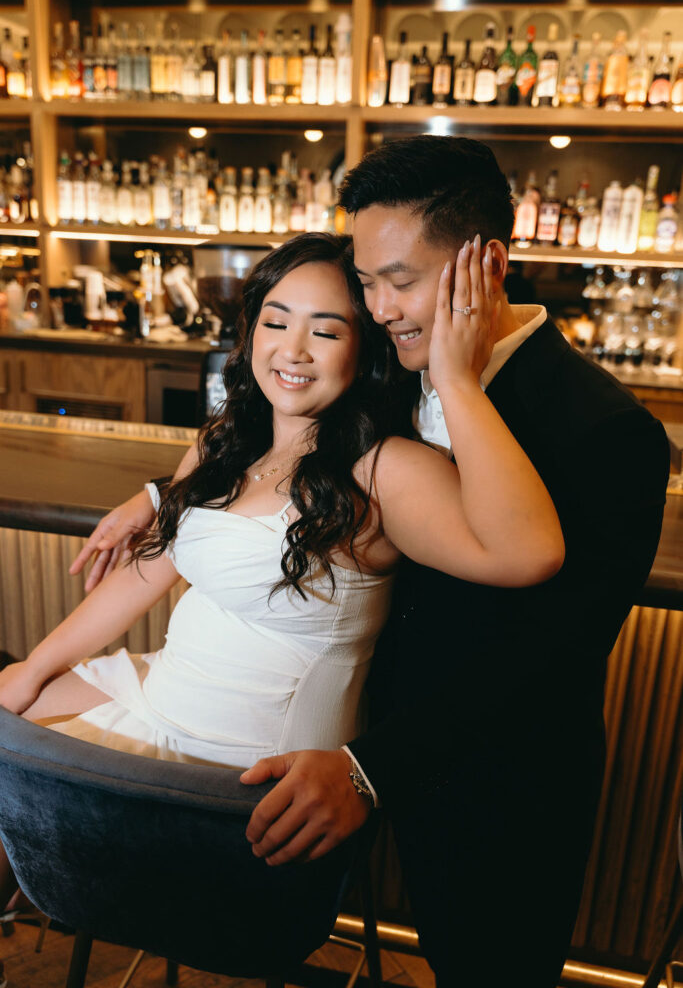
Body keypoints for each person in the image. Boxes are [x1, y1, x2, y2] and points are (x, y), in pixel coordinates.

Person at [64, 138, 669, 987]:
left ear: (486, 262)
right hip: (338, 740)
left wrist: (369, 770)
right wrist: (167, 500)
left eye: (400, 279)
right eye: (367, 281)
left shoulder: (607, 432)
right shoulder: (391, 364)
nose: (377, 306)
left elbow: (550, 655)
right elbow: (282, 447)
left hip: (491, 783)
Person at [0, 230, 564, 927]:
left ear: (363, 351)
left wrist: (455, 380)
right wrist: (35, 666)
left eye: (324, 331)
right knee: (7, 712)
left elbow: (528, 553)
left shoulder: (381, 469)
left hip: (250, 770)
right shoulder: (223, 440)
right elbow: (149, 569)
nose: (291, 351)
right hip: (161, 694)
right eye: (275, 321)